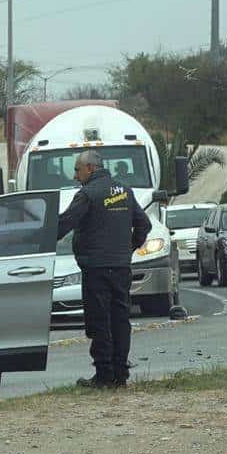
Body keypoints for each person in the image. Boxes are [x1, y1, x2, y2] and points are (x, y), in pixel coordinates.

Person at [58, 149, 151, 389]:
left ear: (90, 168)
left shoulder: (87, 194)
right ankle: (120, 374)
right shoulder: (124, 191)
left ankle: (103, 375)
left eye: (77, 170)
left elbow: (64, 224)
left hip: (96, 268)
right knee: (120, 319)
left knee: (99, 320)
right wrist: (129, 248)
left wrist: (39, 237)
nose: (75, 176)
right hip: (120, 267)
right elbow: (144, 224)